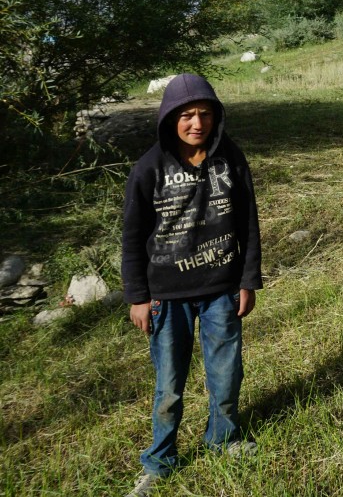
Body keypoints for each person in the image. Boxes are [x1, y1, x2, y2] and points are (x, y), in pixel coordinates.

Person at [121, 74, 262, 496]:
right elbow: (131, 238)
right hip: (166, 297)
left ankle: (223, 439)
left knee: (226, 373)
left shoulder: (230, 158)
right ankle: (160, 460)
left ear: (215, 116)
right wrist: (138, 297)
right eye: (186, 115)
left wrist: (248, 280)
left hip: (222, 289)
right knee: (169, 385)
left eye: (204, 114)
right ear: (169, 119)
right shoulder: (148, 169)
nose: (196, 123)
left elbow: (248, 223)